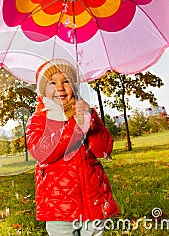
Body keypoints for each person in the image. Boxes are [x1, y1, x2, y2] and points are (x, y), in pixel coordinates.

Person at [25, 59, 119, 236]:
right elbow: (43, 152)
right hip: (58, 201)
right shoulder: (38, 120)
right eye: (52, 83)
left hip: (92, 196)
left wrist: (91, 120)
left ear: (74, 87)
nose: (60, 87)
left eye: (66, 81)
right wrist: (75, 128)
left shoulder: (85, 112)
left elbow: (103, 149)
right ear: (43, 90)